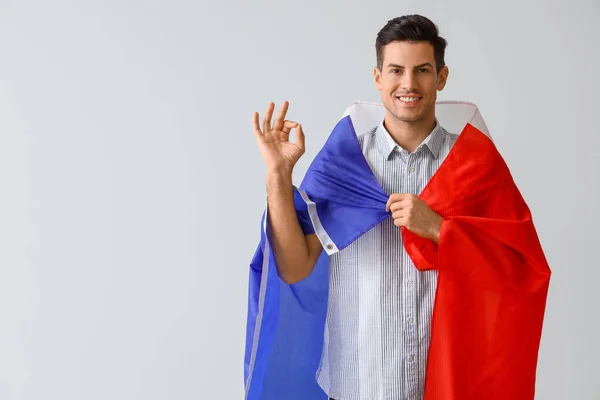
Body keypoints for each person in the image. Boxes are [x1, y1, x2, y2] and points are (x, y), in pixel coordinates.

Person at [247, 14, 550, 400]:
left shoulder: (477, 163)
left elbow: (519, 270)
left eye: (422, 70)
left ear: (441, 77)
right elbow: (293, 266)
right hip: (359, 382)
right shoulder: (344, 162)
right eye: (396, 70)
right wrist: (278, 174)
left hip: (447, 380)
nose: (409, 84)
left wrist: (442, 231)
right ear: (378, 78)